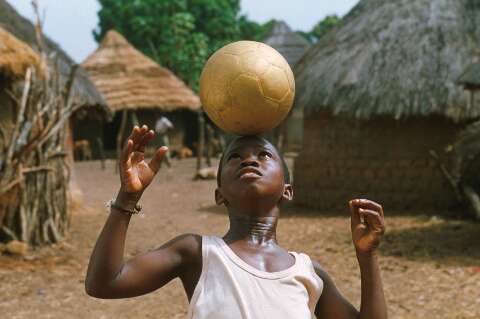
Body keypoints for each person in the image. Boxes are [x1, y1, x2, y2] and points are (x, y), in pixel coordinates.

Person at [85, 125, 388, 319]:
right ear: (219, 194)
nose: (249, 160)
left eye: (264, 155)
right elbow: (104, 283)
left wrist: (368, 256)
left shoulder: (308, 273)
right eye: (234, 157)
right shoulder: (197, 253)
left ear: (288, 190)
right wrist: (126, 199)